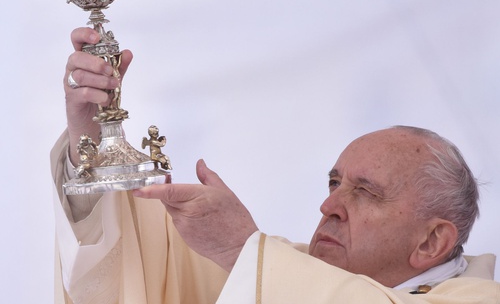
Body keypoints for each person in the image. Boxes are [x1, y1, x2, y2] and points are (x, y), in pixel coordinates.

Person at [52, 27, 499, 303]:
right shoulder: (287, 274)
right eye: (334, 183)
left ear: (432, 240)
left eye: (365, 191)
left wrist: (241, 250)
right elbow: (149, 272)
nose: (329, 207)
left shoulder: (477, 300)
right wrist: (94, 143)